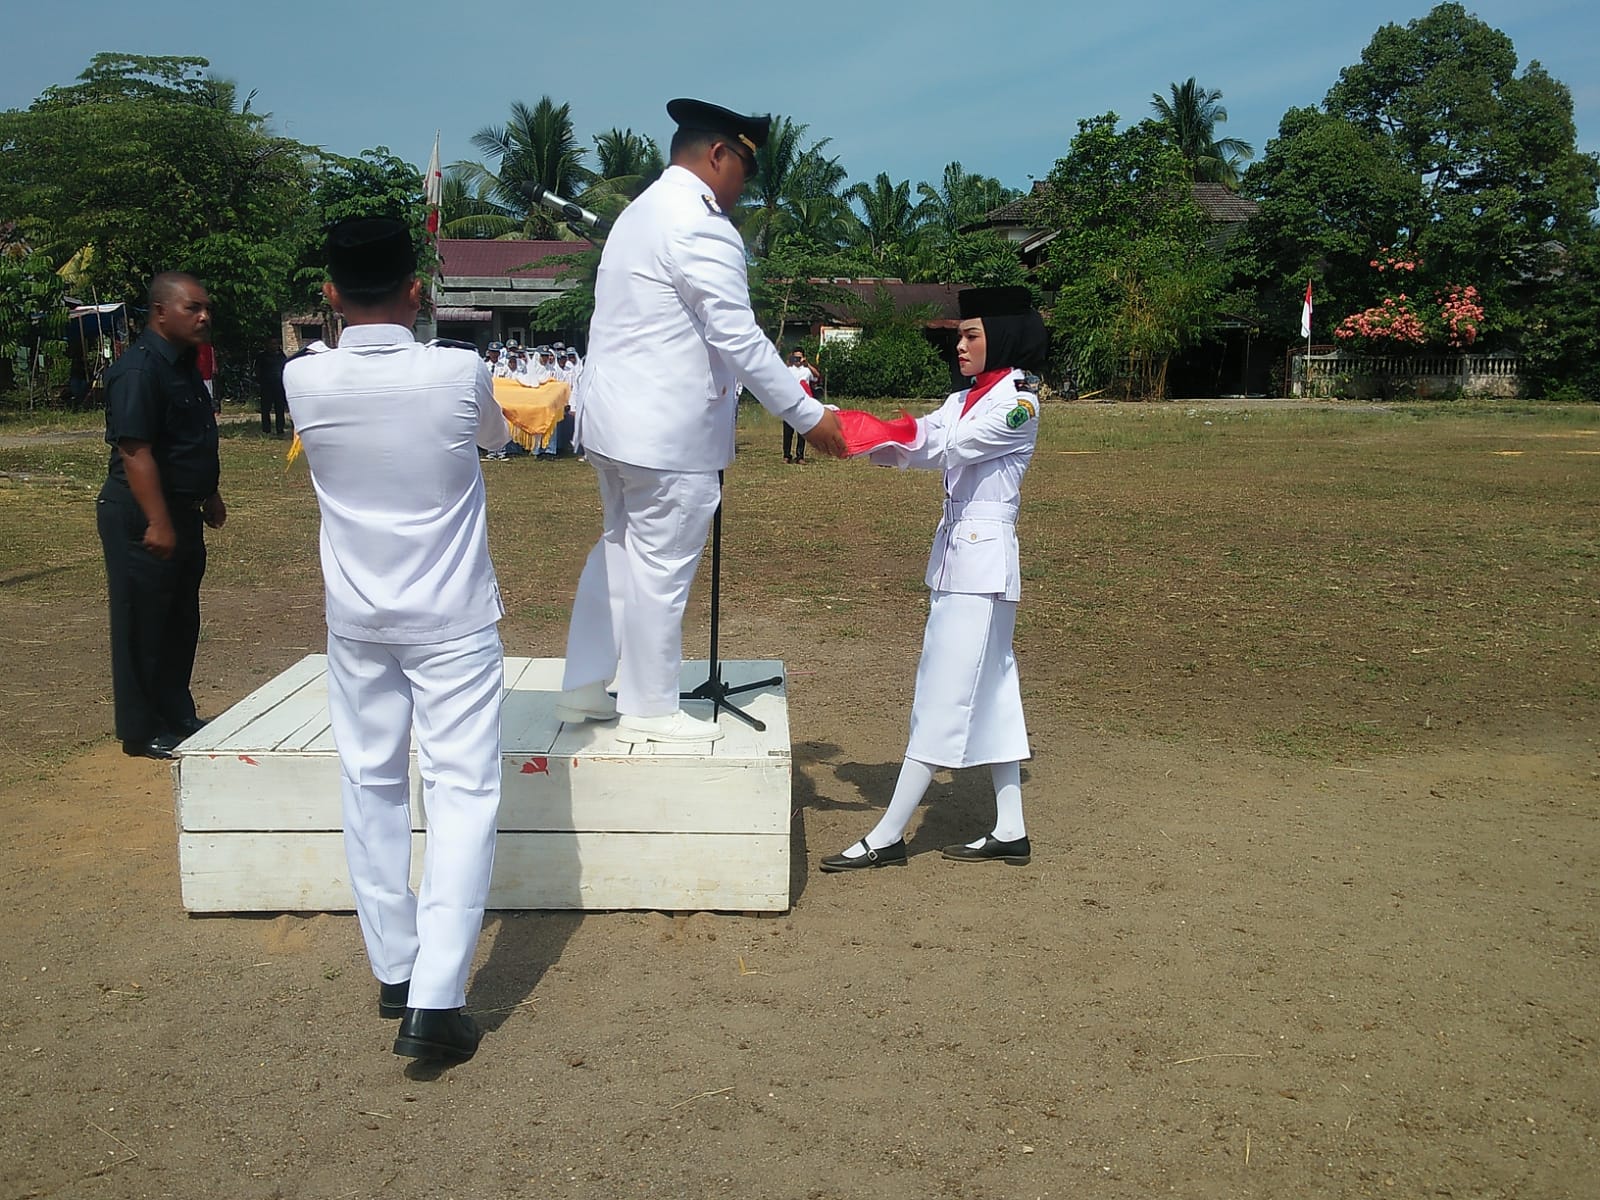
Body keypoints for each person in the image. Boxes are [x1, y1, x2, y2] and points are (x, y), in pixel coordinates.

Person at [284, 217, 512, 1064]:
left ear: (332, 296)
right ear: (417, 291)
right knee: (459, 794)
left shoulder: (303, 379)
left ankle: (395, 966)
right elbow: (494, 435)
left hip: (357, 617)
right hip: (449, 616)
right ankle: (437, 998)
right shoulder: (457, 370)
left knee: (371, 782)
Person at [556, 97, 847, 744]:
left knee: (620, 552)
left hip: (612, 425)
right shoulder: (700, 224)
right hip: (668, 434)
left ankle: (583, 688)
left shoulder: (640, 212)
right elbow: (738, 339)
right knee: (658, 563)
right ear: (718, 154)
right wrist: (807, 416)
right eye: (743, 169)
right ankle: (650, 708)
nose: (744, 188)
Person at [821, 286, 1046, 871]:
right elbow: (921, 435)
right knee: (993, 693)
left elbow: (943, 447)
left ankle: (890, 834)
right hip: (964, 559)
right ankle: (1011, 827)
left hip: (981, 565)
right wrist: (852, 436)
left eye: (972, 334)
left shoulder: (1018, 402)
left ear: (1003, 335)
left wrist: (860, 430)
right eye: (959, 334)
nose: (961, 345)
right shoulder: (969, 397)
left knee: (940, 696)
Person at [96, 271, 226, 761]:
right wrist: (158, 520)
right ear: (160, 312)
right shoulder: (140, 370)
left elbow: (188, 439)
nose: (204, 316)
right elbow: (135, 450)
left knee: (179, 619)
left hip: (182, 511)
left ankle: (176, 711)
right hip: (141, 515)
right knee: (142, 623)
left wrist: (209, 494)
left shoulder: (184, 365)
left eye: (205, 307)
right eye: (193, 307)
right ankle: (141, 727)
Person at [782, 348, 822, 463]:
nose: (797, 360)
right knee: (788, 432)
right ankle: (786, 455)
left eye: (799, 357)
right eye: (795, 357)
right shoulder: (789, 369)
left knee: (802, 432)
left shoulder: (806, 371)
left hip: (803, 404)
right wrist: (789, 360)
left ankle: (800, 456)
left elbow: (817, 376)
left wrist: (807, 364)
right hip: (789, 403)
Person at [255, 337, 289, 436]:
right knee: (266, 408)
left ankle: (280, 428)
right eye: (271, 344)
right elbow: (257, 370)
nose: (274, 346)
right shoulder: (262, 356)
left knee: (280, 408)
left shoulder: (281, 356)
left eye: (275, 344)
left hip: (279, 386)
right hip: (266, 385)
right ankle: (266, 429)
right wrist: (260, 381)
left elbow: (285, 368)